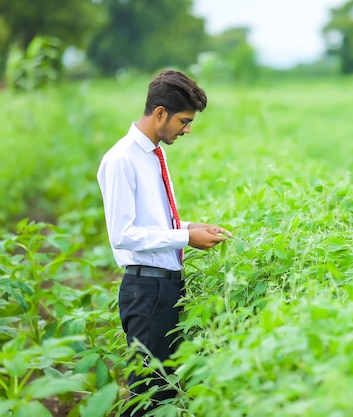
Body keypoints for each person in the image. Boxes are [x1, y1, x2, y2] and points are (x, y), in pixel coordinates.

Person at [97, 69, 231, 416]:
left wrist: (190, 226)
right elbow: (123, 233)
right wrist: (185, 236)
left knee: (166, 391)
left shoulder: (154, 152)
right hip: (145, 290)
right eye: (184, 121)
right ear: (160, 113)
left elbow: (152, 222)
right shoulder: (122, 159)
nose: (186, 130)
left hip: (166, 288)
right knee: (148, 395)